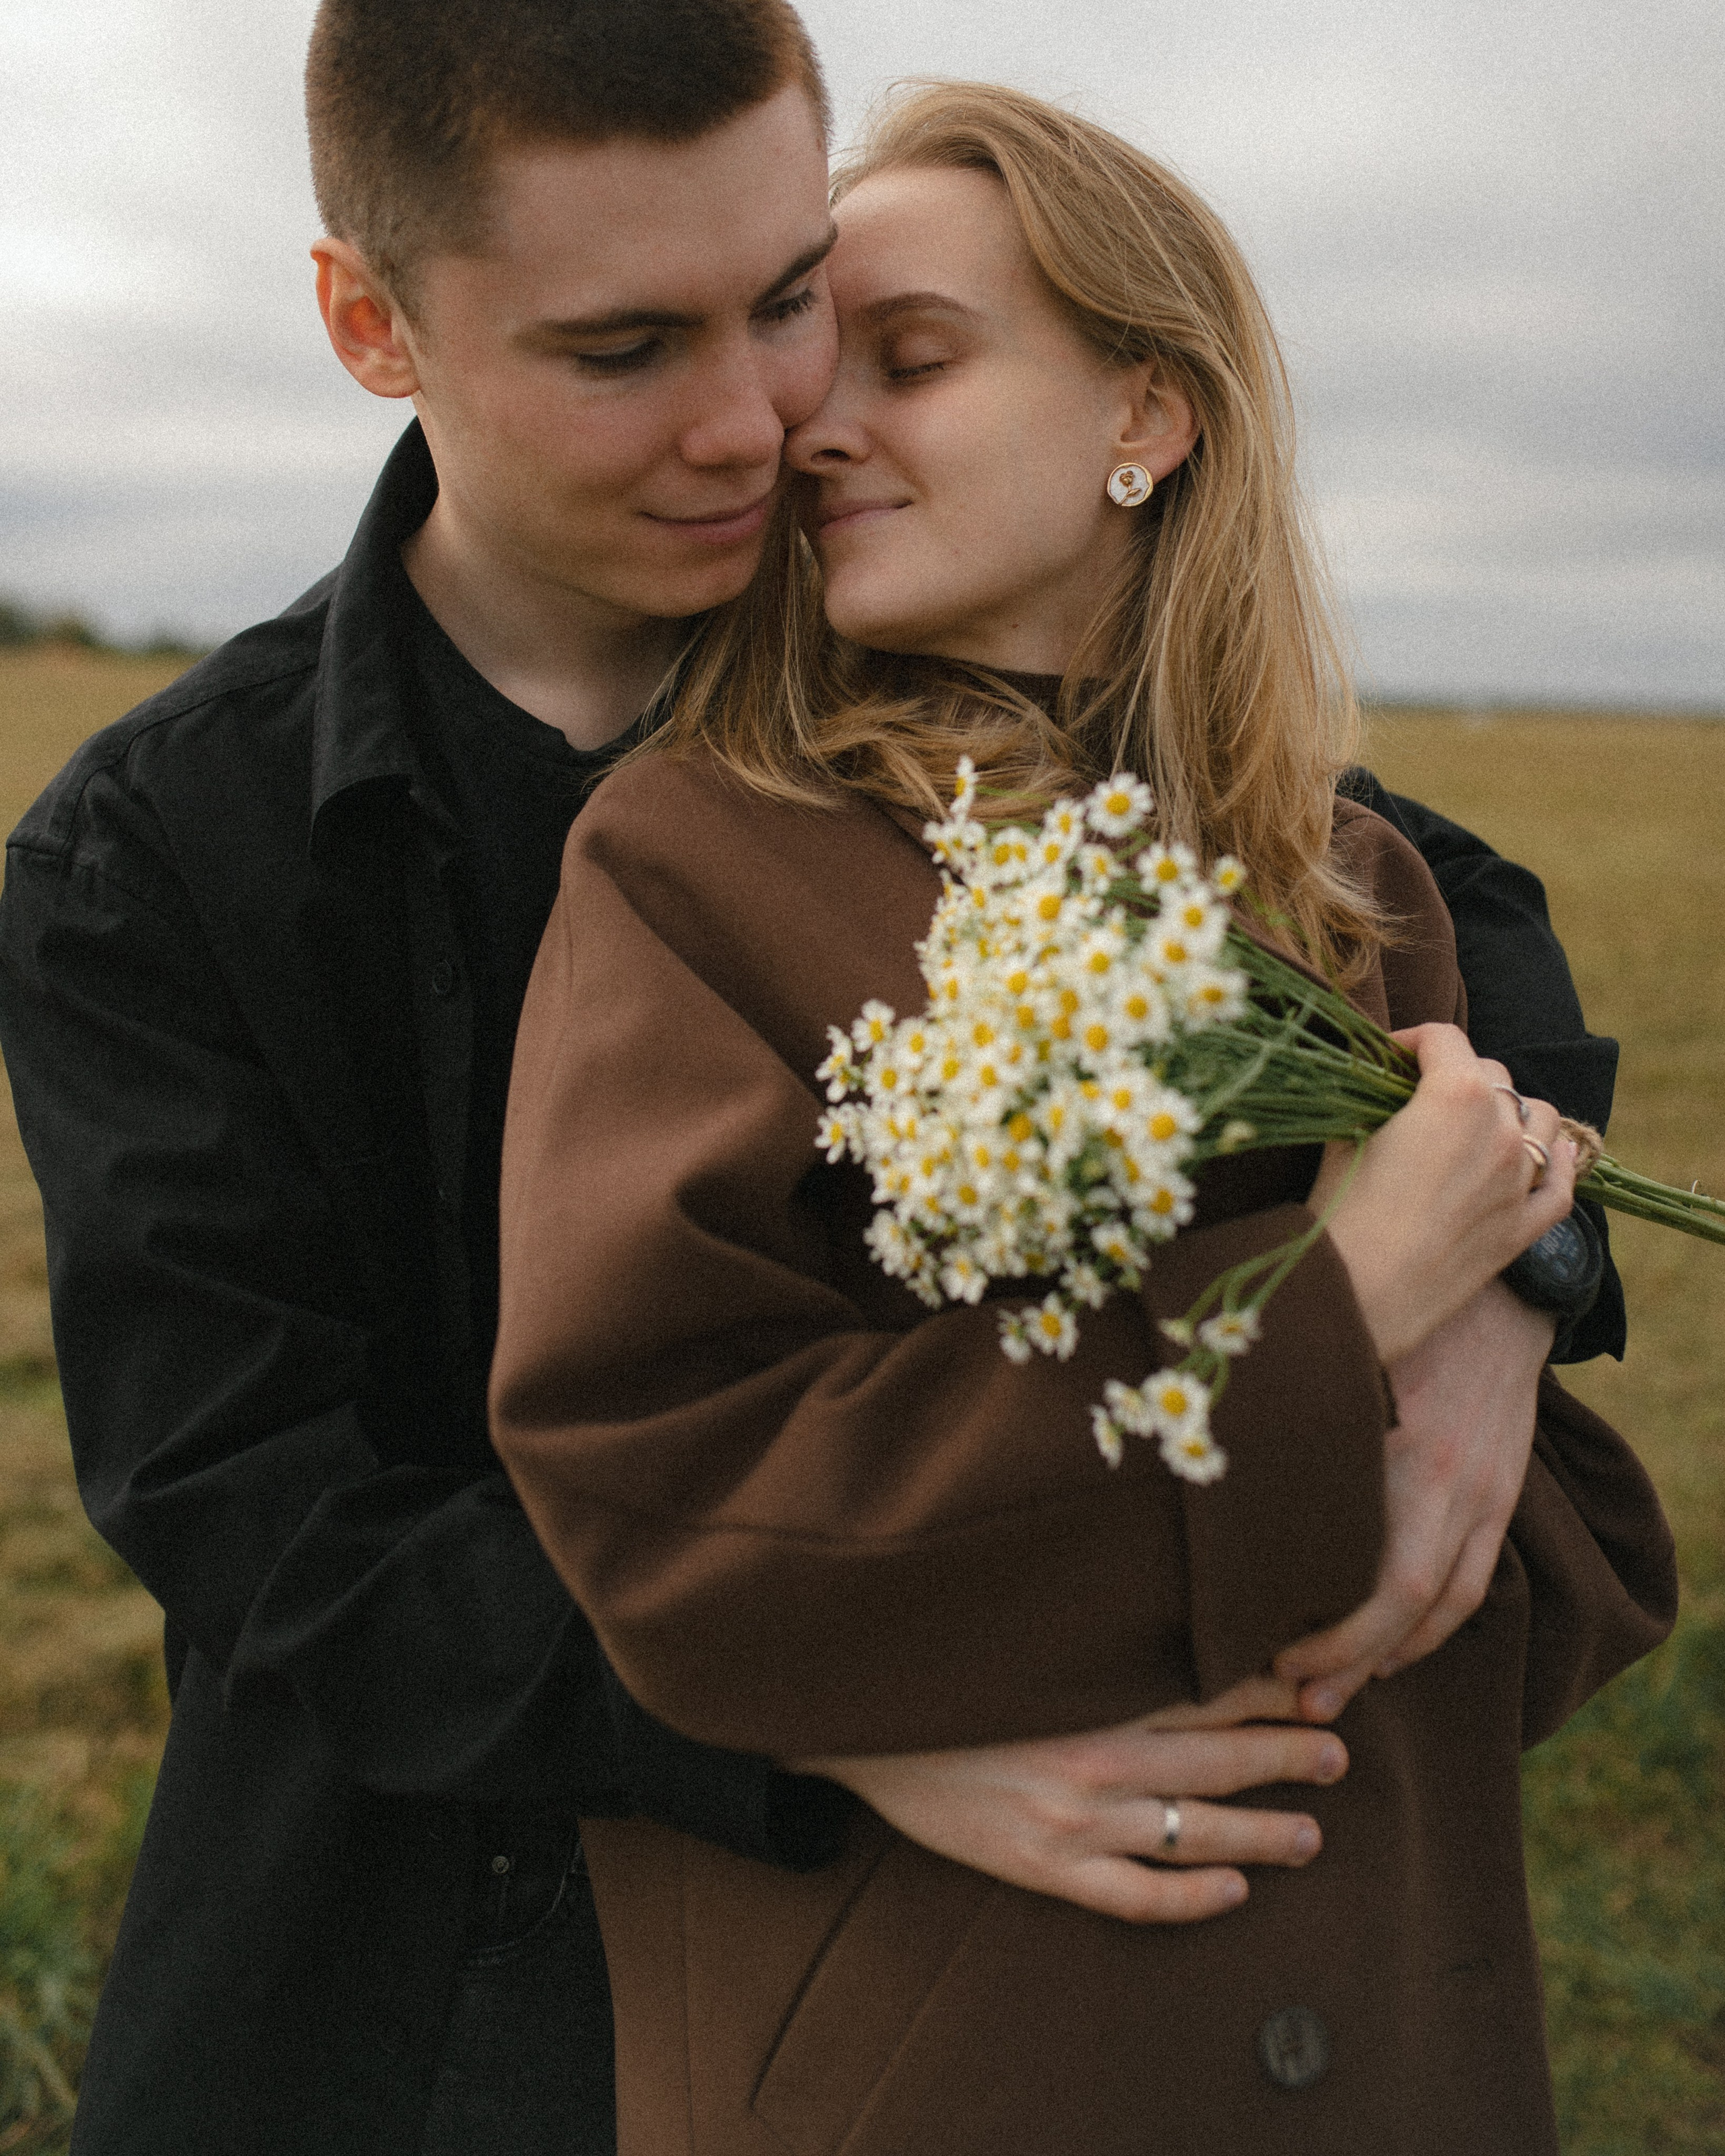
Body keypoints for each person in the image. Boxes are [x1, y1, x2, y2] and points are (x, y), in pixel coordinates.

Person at [0, 7, 1628, 2151]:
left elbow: (1389, 873)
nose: (758, 422)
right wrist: (832, 1722)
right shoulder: (151, 854)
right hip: (421, 1967)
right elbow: (263, 1521)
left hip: (993, 1989)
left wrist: (1507, 1271)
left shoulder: (903, 623)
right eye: (621, 350)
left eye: (789, 303)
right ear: (368, 322)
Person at [487, 82, 1675, 2155]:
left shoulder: (1349, 892)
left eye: (912, 358)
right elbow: (670, 1514)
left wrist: (1515, 1290)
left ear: (1150, 413)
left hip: (1397, 2038)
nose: (811, 425)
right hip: (955, 2051)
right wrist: (1352, 1306)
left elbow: (1533, 1564)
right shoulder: (693, 863)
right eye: (804, 364)